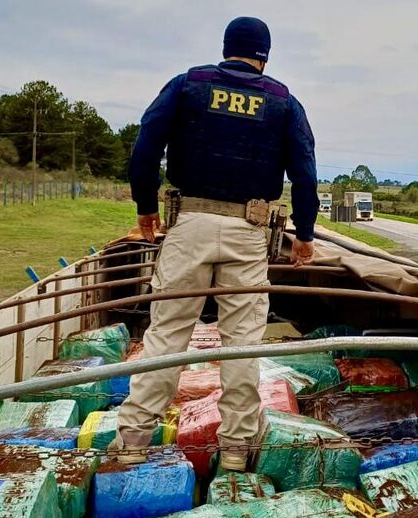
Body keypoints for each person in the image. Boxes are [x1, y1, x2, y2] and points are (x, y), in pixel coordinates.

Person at [112, 16, 318, 471]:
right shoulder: (283, 102)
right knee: (241, 344)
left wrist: (145, 208)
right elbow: (304, 173)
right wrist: (304, 235)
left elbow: (145, 150)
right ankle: (236, 451)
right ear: (265, 55)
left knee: (166, 335)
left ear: (226, 47)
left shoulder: (189, 85)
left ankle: (132, 442)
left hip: (188, 227)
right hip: (249, 231)